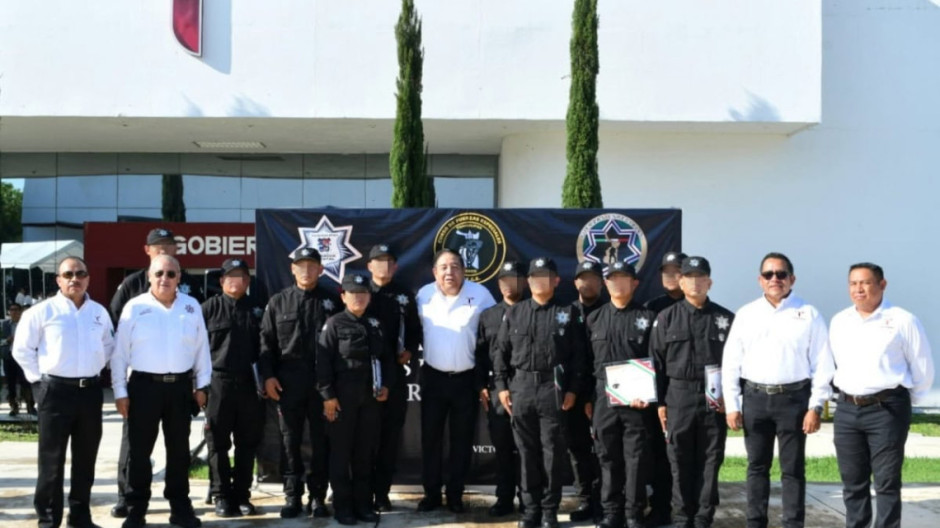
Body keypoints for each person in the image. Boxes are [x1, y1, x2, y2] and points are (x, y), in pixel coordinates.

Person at [722, 252, 835, 528]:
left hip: (794, 401)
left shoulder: (809, 314)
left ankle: (793, 523)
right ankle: (755, 522)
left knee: (793, 469)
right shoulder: (747, 314)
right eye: (769, 274)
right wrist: (733, 405)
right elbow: (731, 362)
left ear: (792, 279)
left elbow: (823, 364)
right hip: (755, 399)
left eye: (781, 274)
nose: (775, 279)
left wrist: (815, 406)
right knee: (756, 467)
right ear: (760, 280)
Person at [828, 262, 935, 528]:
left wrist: (909, 403)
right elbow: (835, 363)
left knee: (886, 482)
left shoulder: (902, 320)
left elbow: (923, 368)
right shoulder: (840, 321)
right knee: (853, 482)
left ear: (882, 285)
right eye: (853, 283)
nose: (858, 289)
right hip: (847, 410)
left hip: (887, 409)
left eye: (865, 282)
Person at [108, 227, 205, 519]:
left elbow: (202, 350)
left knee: (178, 451)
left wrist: (202, 385)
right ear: (149, 274)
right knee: (139, 451)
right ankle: (136, 507)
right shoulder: (133, 305)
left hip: (179, 388)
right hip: (143, 387)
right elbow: (119, 351)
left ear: (179, 276)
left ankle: (180, 507)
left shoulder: (191, 305)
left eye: (171, 274)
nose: (165, 278)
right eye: (159, 274)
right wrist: (120, 391)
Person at [12, 257, 114, 528]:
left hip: (90, 394)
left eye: (80, 273)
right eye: (68, 274)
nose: (74, 278)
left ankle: (80, 517)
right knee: (52, 462)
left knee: (86, 460)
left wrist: (92, 367)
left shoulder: (98, 313)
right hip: (54, 393)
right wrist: (39, 382)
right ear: (58, 280)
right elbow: (21, 350)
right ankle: (48, 519)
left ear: (88, 278)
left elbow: (108, 346)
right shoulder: (42, 312)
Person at [494, 257, 588, 528]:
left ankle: (549, 511)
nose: (539, 281)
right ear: (528, 281)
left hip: (553, 389)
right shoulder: (514, 312)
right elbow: (500, 353)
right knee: (526, 452)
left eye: (545, 276)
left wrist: (573, 390)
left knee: (553, 453)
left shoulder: (568, 313)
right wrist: (502, 388)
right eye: (534, 276)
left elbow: (579, 357)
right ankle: (530, 510)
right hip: (521, 388)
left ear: (556, 281)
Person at [651, 256, 734, 528]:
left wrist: (732, 399)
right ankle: (682, 516)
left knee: (711, 459)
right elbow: (657, 363)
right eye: (690, 277)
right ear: (681, 282)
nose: (696, 282)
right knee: (679, 458)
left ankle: (703, 517)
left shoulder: (725, 319)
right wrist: (661, 403)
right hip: (678, 394)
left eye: (701, 277)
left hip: (714, 397)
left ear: (709, 282)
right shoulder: (666, 318)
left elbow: (736, 364)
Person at [258, 246, 341, 518]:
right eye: (300, 265)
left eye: (311, 265)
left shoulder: (333, 302)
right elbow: (265, 344)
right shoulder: (278, 302)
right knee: (289, 441)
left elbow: (341, 347)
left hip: (322, 383)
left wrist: (332, 389)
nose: (306, 270)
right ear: (292, 269)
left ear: (320, 269)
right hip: (287, 383)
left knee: (321, 442)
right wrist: (268, 376)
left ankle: (317, 497)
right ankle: (292, 496)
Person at [415, 248, 495, 513]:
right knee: (431, 440)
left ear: (464, 270)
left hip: (466, 380)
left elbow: (493, 337)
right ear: (435, 272)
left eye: (455, 266)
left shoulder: (481, 295)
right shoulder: (424, 295)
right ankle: (431, 494)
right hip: (433, 378)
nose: (450, 272)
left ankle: (456, 495)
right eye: (444, 267)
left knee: (462, 441)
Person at [318, 272, 394, 525]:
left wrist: (386, 385)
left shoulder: (376, 324)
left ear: (369, 297)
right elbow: (323, 362)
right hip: (342, 400)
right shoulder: (334, 324)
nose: (359, 298)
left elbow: (386, 359)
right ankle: (343, 508)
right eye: (353, 294)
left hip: (370, 400)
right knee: (340, 456)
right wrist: (328, 396)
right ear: (343, 296)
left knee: (364, 455)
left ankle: (363, 505)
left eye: (363, 294)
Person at [586, 261, 657, 528]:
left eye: (624, 277)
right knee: (607, 457)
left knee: (636, 459)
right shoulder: (594, 319)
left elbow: (656, 362)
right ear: (606, 284)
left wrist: (648, 396)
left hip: (637, 403)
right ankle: (612, 512)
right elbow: (585, 362)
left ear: (635, 283)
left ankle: (633, 513)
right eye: (612, 278)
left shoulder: (648, 318)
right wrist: (587, 399)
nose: (618, 283)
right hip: (604, 400)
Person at [201, 258, 264, 518]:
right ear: (221, 281)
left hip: (250, 384)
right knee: (217, 443)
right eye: (230, 276)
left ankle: (242, 495)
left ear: (248, 282)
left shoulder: (258, 310)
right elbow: (196, 350)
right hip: (218, 384)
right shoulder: (207, 309)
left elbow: (267, 349)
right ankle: (221, 496)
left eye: (240, 276)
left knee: (247, 444)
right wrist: (199, 386)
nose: (235, 280)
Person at [364, 244, 422, 511]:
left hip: (394, 375)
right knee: (359, 436)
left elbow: (414, 330)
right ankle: (356, 489)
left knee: (388, 437)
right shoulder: (357, 291)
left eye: (389, 261)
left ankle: (381, 493)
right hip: (361, 375)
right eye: (379, 261)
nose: (384, 266)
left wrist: (409, 349)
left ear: (396, 267)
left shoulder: (404, 296)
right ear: (369, 266)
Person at [475, 260, 528, 517]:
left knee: (530, 449)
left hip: (528, 389)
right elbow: (480, 354)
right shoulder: (488, 316)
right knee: (504, 448)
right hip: (498, 391)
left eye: (515, 279)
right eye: (505, 280)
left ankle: (529, 500)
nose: (510, 285)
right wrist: (481, 386)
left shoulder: (533, 311)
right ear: (498, 285)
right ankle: (504, 498)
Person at [566, 261, 604, 523]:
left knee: (606, 450)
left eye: (593, 278)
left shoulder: (611, 310)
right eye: (582, 278)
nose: (587, 283)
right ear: (575, 283)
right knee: (578, 449)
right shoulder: (565, 313)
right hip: (573, 393)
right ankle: (585, 499)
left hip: (606, 393)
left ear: (602, 282)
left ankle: (606, 499)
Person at [3, 302, 36, 416]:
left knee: (25, 382)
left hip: (23, 358)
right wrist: (6, 341)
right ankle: (14, 407)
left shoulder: (26, 324)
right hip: (9, 357)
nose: (14, 312)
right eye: (11, 310)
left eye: (16, 310)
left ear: (21, 311)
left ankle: (30, 406)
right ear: (9, 312)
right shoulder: (4, 325)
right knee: (10, 384)